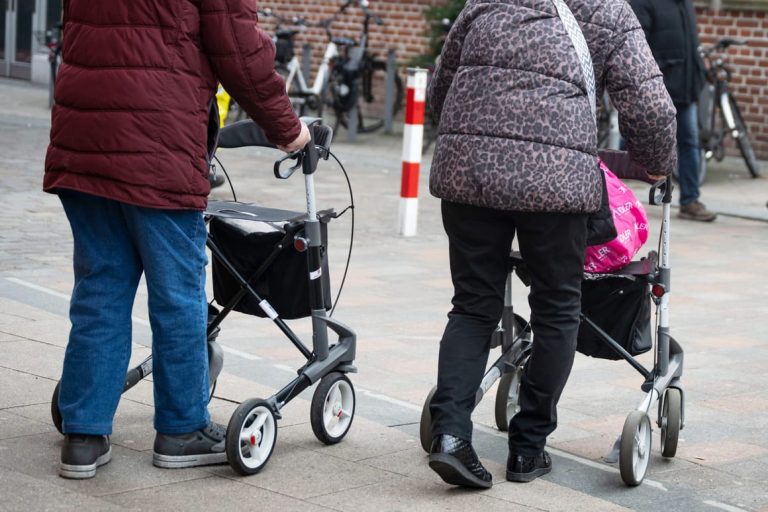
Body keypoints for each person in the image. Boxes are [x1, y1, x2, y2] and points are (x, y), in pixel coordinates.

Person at [44, 0, 309, 479]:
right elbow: (240, 50)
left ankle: (83, 435)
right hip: (157, 147)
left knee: (100, 289)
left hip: (82, 139)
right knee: (178, 296)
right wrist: (289, 132)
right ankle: (182, 429)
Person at [426, 0, 677, 488]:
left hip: (469, 172)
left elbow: (443, 84)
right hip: (556, 186)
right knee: (557, 308)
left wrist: (470, 134)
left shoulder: (485, 3)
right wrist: (656, 163)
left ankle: (451, 436)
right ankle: (527, 448)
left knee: (473, 305)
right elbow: (650, 105)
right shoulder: (608, 11)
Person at [630, 0, 715, 222]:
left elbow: (691, 45)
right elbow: (636, 47)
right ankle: (616, 199)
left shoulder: (685, 4)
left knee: (689, 142)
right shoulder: (645, 3)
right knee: (635, 147)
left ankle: (690, 200)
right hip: (658, 93)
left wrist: (699, 74)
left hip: (685, 91)